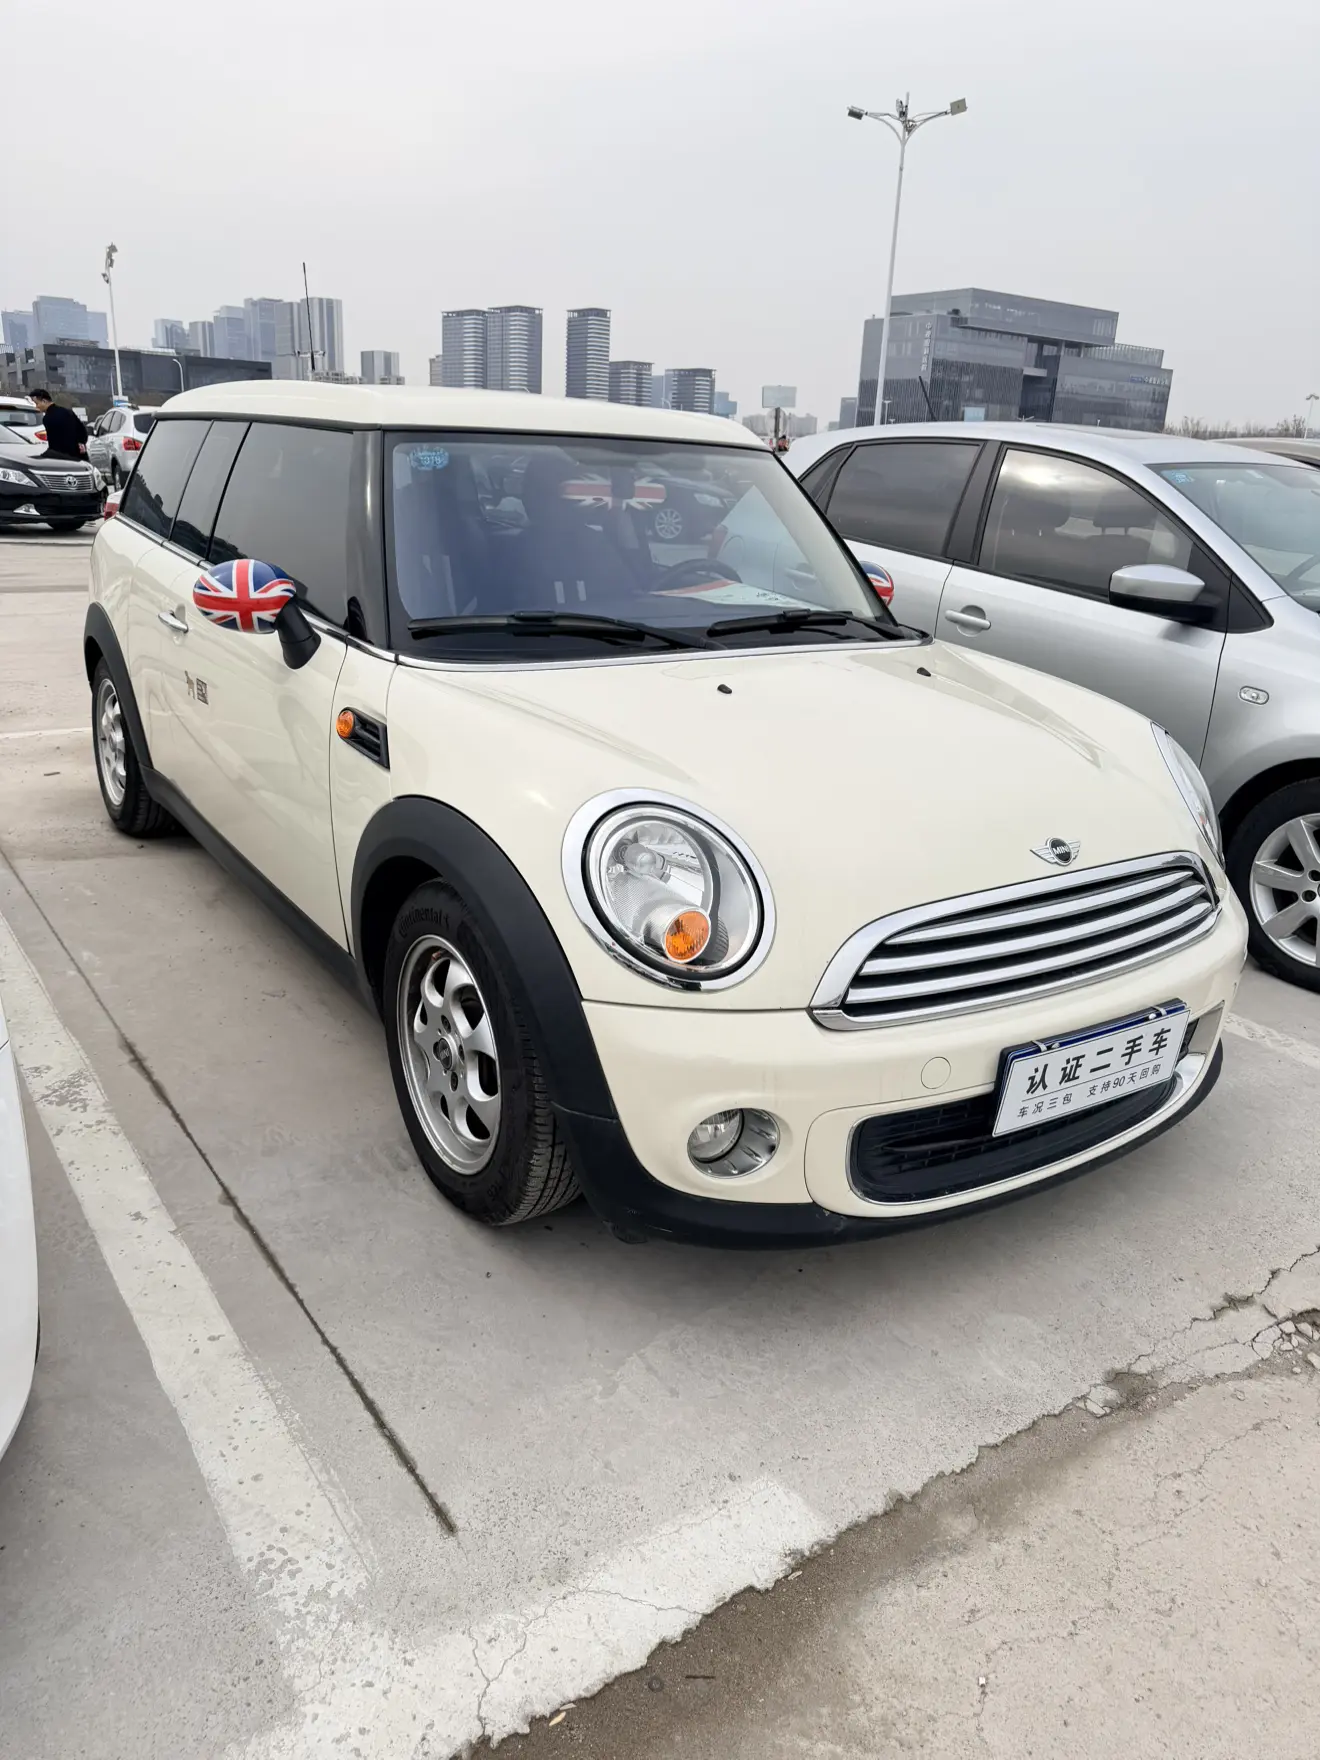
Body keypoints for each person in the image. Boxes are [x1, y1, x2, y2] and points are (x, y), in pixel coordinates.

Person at [29, 389, 88, 461]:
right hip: (79, 458)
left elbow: (54, 443)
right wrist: (81, 443)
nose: (36, 407)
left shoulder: (48, 418)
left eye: (37, 403)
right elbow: (82, 431)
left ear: (44, 401)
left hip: (63, 458)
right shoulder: (67, 411)